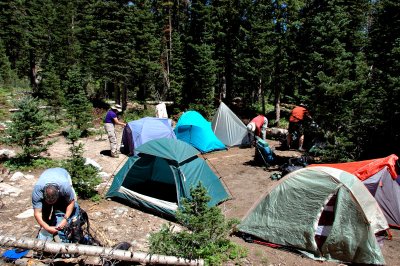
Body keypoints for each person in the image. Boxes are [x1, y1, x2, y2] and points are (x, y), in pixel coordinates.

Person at [32, 168, 79, 242]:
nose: (52, 203)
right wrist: (47, 227)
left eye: (53, 201)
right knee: (45, 212)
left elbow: (71, 202)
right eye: (49, 201)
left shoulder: (65, 187)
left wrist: (65, 219)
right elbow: (37, 213)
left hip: (62, 174)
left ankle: (74, 225)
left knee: (73, 207)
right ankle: (47, 232)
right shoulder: (37, 191)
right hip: (47, 174)